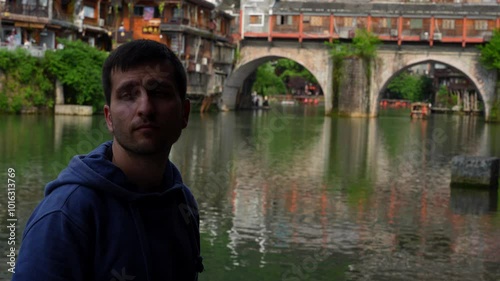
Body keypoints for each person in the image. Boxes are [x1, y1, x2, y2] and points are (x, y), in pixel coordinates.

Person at [12, 40, 204, 281]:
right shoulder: (65, 216)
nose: (145, 107)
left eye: (160, 93)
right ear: (109, 118)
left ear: (184, 113)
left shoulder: (183, 203)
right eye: (128, 95)